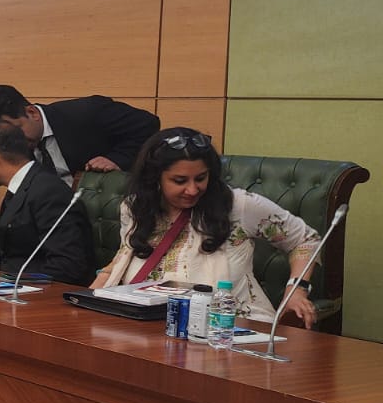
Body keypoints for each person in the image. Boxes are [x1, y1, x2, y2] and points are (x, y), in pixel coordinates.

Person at [94, 128, 321, 325]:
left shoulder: (238, 205)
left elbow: (305, 240)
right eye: (180, 181)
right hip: (146, 327)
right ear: (154, 179)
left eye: (201, 178)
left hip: (228, 329)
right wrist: (93, 292)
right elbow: (125, 254)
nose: (193, 189)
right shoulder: (135, 207)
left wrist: (296, 290)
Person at [0, 120, 96, 285]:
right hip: (9, 290)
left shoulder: (49, 192)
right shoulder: (19, 188)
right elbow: (5, 258)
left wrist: (14, 285)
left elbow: (69, 265)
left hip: (42, 294)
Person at [0, 84, 159, 186]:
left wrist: (116, 158)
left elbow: (148, 124)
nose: (14, 140)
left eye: (16, 129)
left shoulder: (87, 113)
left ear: (32, 113)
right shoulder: (14, 146)